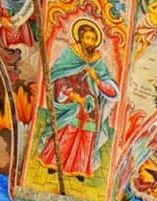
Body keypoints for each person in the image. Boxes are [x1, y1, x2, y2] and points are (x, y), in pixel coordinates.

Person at [37, 19, 119, 181]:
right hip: (71, 101)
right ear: (80, 38)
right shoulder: (70, 54)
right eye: (88, 38)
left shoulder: (98, 60)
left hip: (90, 106)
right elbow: (58, 76)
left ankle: (80, 168)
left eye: (93, 39)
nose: (91, 42)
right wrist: (71, 94)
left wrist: (97, 80)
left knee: (86, 136)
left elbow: (107, 83)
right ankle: (54, 163)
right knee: (66, 132)